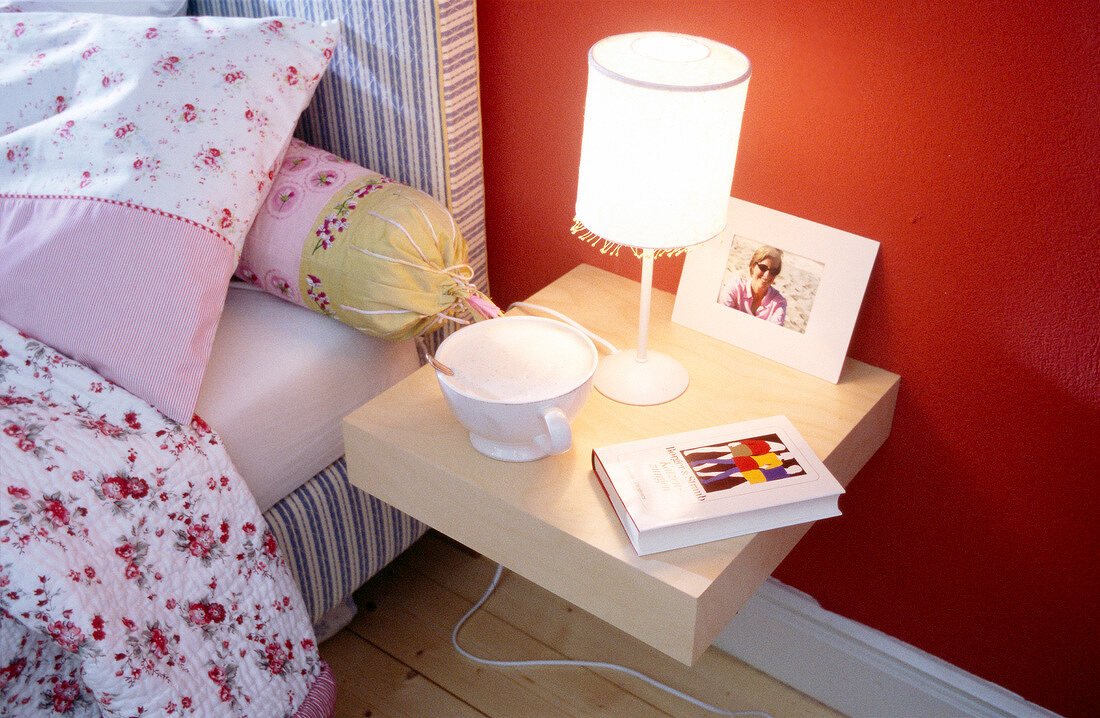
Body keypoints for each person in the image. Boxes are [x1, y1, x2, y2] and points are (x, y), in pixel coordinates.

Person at [719, 245, 787, 326]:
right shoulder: (735, 287)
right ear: (753, 266)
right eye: (763, 268)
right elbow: (722, 320)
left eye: (773, 271)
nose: (767, 275)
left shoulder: (779, 302)